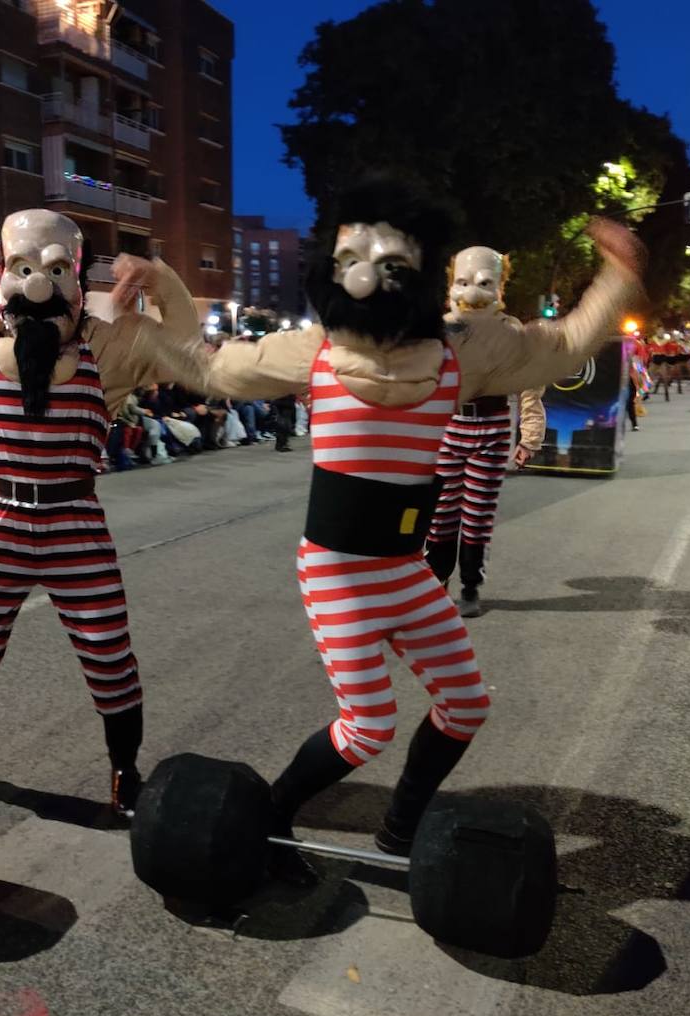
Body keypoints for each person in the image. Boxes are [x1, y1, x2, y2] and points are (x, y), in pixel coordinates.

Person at [147, 175, 643, 875]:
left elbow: (560, 348)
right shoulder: (311, 350)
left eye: (392, 265)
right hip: (339, 570)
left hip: (406, 571)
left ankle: (401, 826)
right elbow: (209, 367)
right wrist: (164, 287)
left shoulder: (458, 351)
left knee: (466, 704)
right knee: (369, 723)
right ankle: (271, 817)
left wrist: (617, 276)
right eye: (355, 260)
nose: (370, 279)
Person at [0, 208, 203, 814]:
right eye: (23, 267)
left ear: (78, 281)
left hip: (75, 522)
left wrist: (161, 280)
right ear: (4, 274)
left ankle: (124, 772)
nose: (38, 284)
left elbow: (185, 343)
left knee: (109, 655)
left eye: (56, 270)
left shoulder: (107, 346)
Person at [425, 246, 550, 617]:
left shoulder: (512, 331)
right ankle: (435, 584)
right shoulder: (439, 331)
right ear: (451, 284)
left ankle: (470, 587)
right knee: (440, 513)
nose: (472, 292)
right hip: (449, 429)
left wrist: (529, 437)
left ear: (500, 287)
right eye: (462, 282)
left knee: (477, 515)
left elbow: (531, 384)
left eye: (483, 282)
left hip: (493, 430)